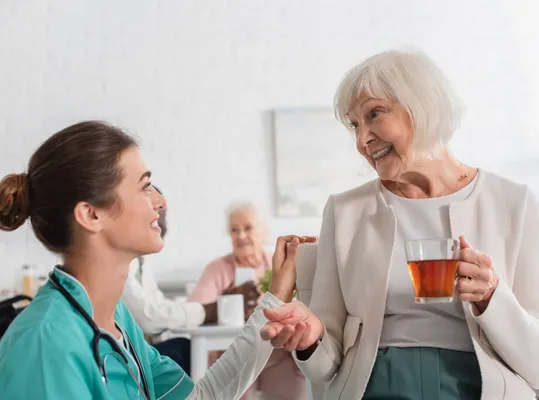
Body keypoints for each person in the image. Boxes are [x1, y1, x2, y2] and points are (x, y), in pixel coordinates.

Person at [261, 49, 539, 399]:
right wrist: (311, 338)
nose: (362, 140)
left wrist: (491, 296)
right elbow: (325, 367)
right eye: (354, 126)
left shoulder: (513, 202)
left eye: (374, 114)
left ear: (421, 106)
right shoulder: (346, 211)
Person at [0, 120, 316, 399]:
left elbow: (204, 396)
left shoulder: (117, 320)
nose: (161, 202)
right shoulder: (43, 345)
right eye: (144, 186)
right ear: (91, 214)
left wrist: (275, 295)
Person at [188, 202, 306, 400]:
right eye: (234, 230)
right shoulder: (218, 269)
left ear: (263, 231)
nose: (241, 236)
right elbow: (194, 310)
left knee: (291, 370)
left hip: (278, 353)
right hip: (232, 353)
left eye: (248, 228)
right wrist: (223, 302)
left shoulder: (277, 265)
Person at [122, 186, 216, 376]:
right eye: (156, 212)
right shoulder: (121, 262)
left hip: (140, 349)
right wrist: (205, 311)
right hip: (123, 355)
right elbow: (149, 317)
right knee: (183, 351)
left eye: (163, 214)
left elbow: (158, 305)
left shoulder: (142, 261)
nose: (163, 220)